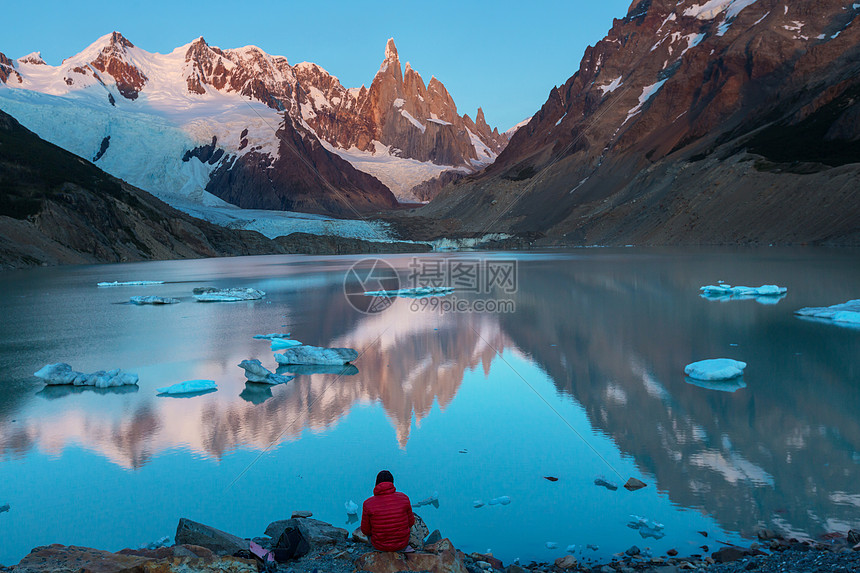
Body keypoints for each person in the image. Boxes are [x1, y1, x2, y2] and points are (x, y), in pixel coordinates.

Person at [360, 470, 415, 552]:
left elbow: (365, 530)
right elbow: (411, 523)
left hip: (380, 546)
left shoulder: (368, 503)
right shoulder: (404, 498)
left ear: (376, 483)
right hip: (402, 544)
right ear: (392, 483)